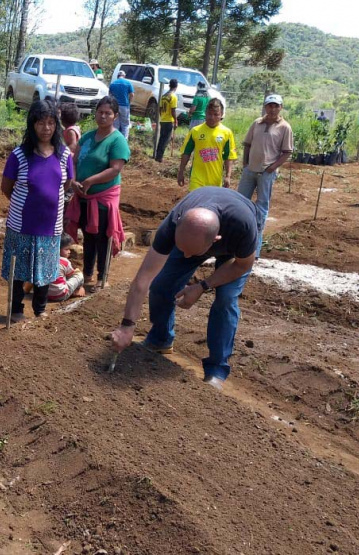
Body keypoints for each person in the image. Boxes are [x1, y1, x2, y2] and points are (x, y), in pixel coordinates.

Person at [109, 187, 260, 391]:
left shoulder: (243, 227)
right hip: (196, 237)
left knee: (225, 299)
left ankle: (217, 369)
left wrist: (202, 286)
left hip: (234, 247)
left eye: (192, 253)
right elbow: (142, 279)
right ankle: (160, 339)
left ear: (215, 240)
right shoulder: (172, 225)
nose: (187, 258)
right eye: (183, 250)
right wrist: (127, 326)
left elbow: (242, 265)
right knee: (162, 284)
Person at [1, 99, 74, 321]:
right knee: (18, 269)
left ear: (57, 125)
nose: (46, 128)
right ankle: (16, 310)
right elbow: (6, 187)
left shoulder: (64, 155)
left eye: (51, 123)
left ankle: (40, 310)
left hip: (51, 225)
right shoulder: (19, 155)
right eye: (41, 123)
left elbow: (67, 183)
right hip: (21, 224)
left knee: (47, 269)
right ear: (32, 125)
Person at [65, 96, 130, 293]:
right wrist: (74, 180)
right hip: (83, 195)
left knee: (103, 237)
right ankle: (87, 274)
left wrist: (91, 181)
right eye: (100, 112)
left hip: (102, 197)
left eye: (108, 113)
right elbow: (74, 161)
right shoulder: (87, 137)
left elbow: (115, 169)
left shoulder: (117, 140)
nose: (103, 116)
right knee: (88, 235)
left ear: (115, 116)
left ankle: (103, 276)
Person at [237, 94, 293, 257]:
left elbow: (287, 152)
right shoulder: (257, 123)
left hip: (266, 174)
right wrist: (245, 164)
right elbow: (247, 144)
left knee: (261, 210)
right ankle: (237, 243)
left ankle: (255, 251)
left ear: (281, 107)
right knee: (240, 204)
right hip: (250, 171)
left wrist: (272, 168)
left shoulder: (284, 127)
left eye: (276, 106)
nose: (272, 109)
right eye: (270, 105)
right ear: (265, 107)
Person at [178, 99, 237, 192]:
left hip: (215, 180)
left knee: (210, 206)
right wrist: (181, 171)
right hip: (197, 179)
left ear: (221, 115)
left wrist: (228, 176)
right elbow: (186, 152)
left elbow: (229, 156)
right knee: (195, 203)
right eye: (209, 114)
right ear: (205, 113)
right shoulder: (195, 131)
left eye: (216, 114)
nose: (212, 117)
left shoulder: (227, 133)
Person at [48, 234, 85, 302]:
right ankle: (78, 289)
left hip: (43, 295)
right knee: (79, 274)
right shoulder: (64, 261)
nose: (69, 252)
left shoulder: (44, 259)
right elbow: (71, 275)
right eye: (66, 249)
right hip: (60, 295)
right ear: (57, 249)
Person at [155, 79, 179, 163]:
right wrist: (175, 120)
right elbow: (173, 110)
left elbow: (160, 108)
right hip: (169, 120)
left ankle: (158, 155)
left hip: (163, 119)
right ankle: (160, 157)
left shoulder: (164, 96)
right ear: (176, 86)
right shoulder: (174, 96)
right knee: (166, 139)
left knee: (162, 138)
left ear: (169, 85)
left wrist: (162, 117)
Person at [108, 70, 134, 139]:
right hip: (124, 106)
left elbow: (109, 95)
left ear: (118, 76)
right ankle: (124, 140)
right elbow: (132, 94)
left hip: (115, 106)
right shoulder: (128, 83)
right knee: (125, 124)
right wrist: (129, 103)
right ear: (124, 76)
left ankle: (115, 139)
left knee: (115, 124)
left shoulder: (113, 84)